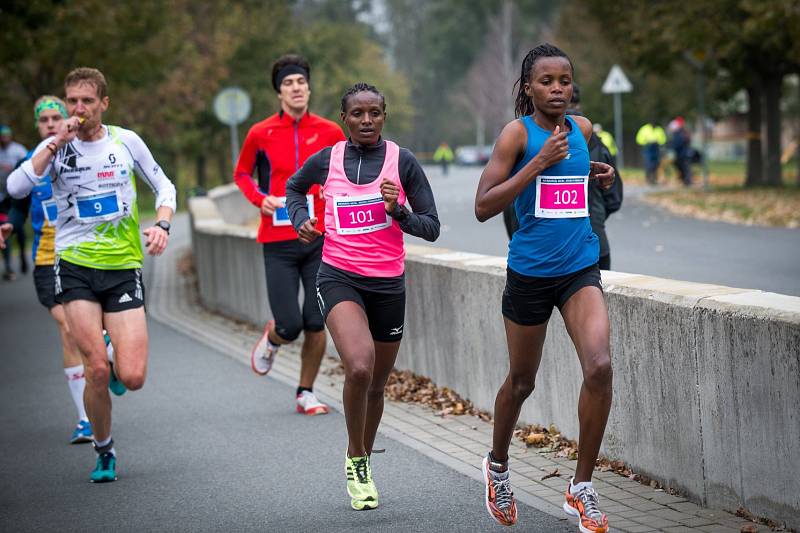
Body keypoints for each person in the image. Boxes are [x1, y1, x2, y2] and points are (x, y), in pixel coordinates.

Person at [8, 67, 177, 483]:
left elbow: (164, 187)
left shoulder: (126, 142)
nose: (78, 109)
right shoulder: (56, 148)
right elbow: (15, 187)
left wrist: (163, 224)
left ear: (104, 104)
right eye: (72, 101)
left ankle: (114, 358)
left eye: (87, 101)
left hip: (122, 267)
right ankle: (104, 450)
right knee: (96, 370)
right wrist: (53, 144)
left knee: (132, 377)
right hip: (75, 266)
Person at [474, 44, 615, 531]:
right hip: (531, 273)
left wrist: (597, 174)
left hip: (580, 266)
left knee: (599, 366)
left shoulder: (583, 129)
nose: (558, 89)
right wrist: (534, 165)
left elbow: (571, 181)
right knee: (521, 381)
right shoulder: (516, 135)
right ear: (528, 87)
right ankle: (497, 466)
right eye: (547, 81)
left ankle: (581, 489)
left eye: (565, 80)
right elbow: (483, 205)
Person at [286, 82, 440, 511]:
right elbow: (294, 189)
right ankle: (356, 459)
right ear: (344, 119)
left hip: (388, 284)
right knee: (358, 367)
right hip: (338, 277)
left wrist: (398, 211)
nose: (366, 120)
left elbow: (431, 226)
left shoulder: (402, 162)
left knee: (376, 385)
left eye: (374, 113)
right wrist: (301, 218)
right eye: (358, 114)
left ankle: (364, 457)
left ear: (384, 117)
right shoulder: (329, 159)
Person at [234, 54, 345, 416]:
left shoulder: (330, 131)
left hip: (319, 239)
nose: (296, 88)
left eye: (301, 82)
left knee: (316, 321)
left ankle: (305, 392)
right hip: (277, 240)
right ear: (279, 92)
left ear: (309, 88)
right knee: (290, 324)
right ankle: (273, 338)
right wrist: (259, 199)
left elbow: (343, 174)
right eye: (288, 83)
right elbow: (242, 174)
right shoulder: (259, 133)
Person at [0, 125, 28, 280]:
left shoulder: (19, 150)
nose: (4, 137)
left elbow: (29, 167)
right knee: (4, 227)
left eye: (7, 134)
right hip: (1, 197)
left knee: (19, 229)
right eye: (2, 135)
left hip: (15, 195)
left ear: (10, 136)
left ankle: (23, 255)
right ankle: (9, 267)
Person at [635, 120, 666, 185]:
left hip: (656, 148)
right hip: (648, 148)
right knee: (648, 164)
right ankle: (649, 178)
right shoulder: (645, 129)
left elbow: (663, 139)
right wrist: (646, 143)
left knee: (656, 164)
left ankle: (654, 178)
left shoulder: (659, 129)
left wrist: (659, 143)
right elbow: (639, 139)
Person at [669, 116, 692, 186]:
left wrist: (672, 146)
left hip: (683, 153)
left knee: (685, 167)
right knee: (681, 166)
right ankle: (684, 179)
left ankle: (687, 181)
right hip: (680, 153)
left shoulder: (682, 133)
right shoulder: (679, 132)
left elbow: (678, 143)